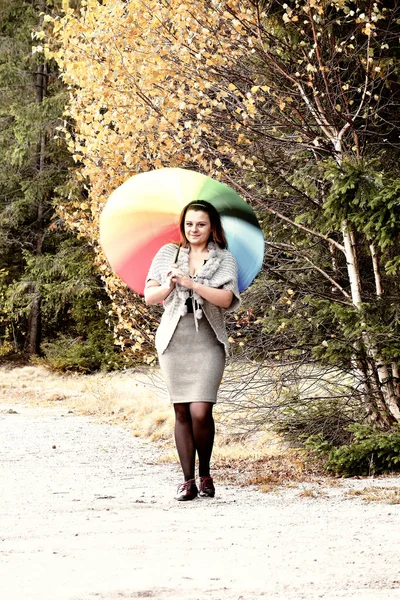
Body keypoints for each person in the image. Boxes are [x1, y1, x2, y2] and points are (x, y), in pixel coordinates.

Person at [144, 200, 240, 501]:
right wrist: (170, 286)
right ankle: (188, 481)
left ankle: (206, 472)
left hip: (208, 340)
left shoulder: (225, 259)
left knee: (201, 410)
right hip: (175, 338)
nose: (194, 229)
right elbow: (150, 296)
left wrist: (193, 284)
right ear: (183, 226)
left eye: (201, 224)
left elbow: (227, 299)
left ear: (212, 227)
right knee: (182, 411)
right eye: (189, 224)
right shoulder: (167, 254)